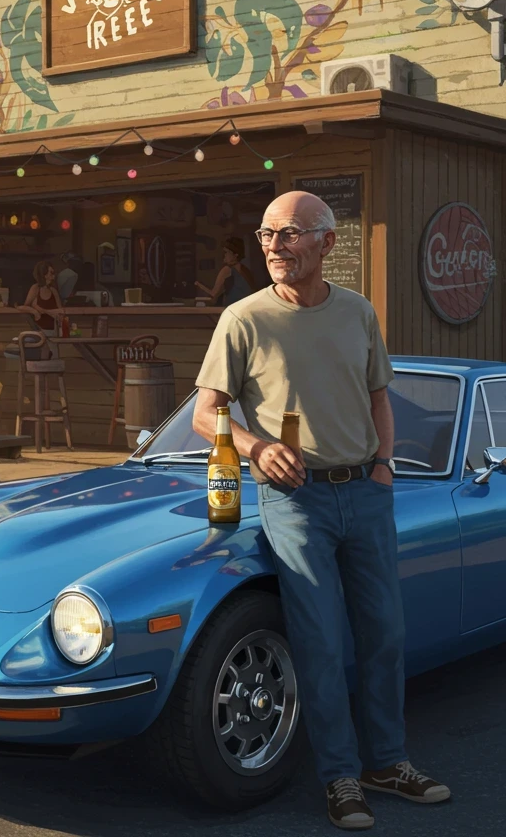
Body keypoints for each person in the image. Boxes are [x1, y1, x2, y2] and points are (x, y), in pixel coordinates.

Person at [193, 191, 449, 831]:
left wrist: (385, 466)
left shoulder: (358, 312)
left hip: (365, 490)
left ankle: (387, 764)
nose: (275, 247)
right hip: (296, 499)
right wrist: (254, 448)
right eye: (266, 235)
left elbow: (379, 399)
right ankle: (339, 777)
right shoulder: (242, 319)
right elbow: (206, 412)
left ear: (327, 243)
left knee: (385, 634)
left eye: (289, 235)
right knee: (321, 641)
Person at [196, 236, 258, 307]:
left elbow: (213, 294)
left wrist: (198, 285)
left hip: (232, 311)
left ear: (235, 255)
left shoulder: (227, 270)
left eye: (226, 252)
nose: (224, 255)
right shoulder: (245, 270)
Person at [21, 260, 63, 332]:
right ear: (44, 274)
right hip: (39, 330)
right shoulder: (35, 288)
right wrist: (35, 311)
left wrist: (42, 310)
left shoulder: (53, 291)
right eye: (51, 272)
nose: (54, 275)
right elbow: (25, 306)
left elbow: (61, 313)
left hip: (54, 330)